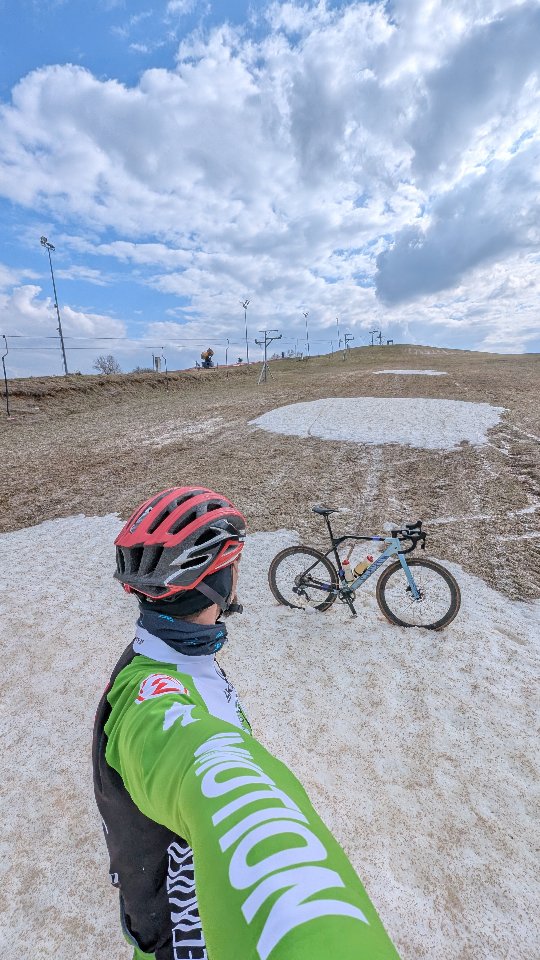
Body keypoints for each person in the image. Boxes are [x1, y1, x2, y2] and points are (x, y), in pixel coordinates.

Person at [93, 486, 400, 960]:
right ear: (217, 581)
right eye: (234, 564)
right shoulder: (149, 698)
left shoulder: (167, 653)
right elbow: (203, 764)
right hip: (192, 938)